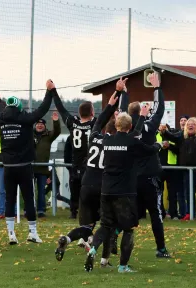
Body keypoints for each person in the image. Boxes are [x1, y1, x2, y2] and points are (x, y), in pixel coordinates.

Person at [55, 80, 129, 264]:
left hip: (85, 183)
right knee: (107, 224)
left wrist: (115, 95)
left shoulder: (94, 136)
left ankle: (69, 238)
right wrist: (119, 94)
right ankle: (103, 260)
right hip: (102, 186)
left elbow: (104, 115)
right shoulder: (114, 143)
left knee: (86, 226)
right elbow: (107, 116)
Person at [84, 109, 161, 273]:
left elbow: (93, 134)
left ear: (116, 125)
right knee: (128, 228)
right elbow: (150, 149)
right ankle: (123, 266)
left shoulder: (107, 140)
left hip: (106, 190)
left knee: (105, 225)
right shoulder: (132, 142)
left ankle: (92, 250)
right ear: (130, 126)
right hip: (125, 192)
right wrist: (159, 144)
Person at [0, 80, 55, 244]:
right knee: (29, 199)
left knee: (9, 199)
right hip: (24, 167)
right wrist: (49, 92)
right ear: (20, 108)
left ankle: (11, 234)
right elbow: (42, 109)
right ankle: (32, 233)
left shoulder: (0, 121)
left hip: (7, 167)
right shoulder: (26, 119)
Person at [118, 73, 170, 258]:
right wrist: (157, 87)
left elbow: (121, 111)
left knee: (131, 215)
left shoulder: (126, 128)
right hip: (150, 176)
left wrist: (123, 92)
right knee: (155, 214)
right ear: (142, 112)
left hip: (132, 178)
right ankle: (161, 249)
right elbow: (160, 108)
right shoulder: (150, 124)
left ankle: (110, 238)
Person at [160, 112, 196, 221]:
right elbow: (171, 136)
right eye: (188, 124)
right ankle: (190, 214)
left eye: (193, 124)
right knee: (189, 194)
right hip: (187, 171)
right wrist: (163, 131)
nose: (190, 125)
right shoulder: (181, 137)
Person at [54, 95, 96, 220]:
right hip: (88, 164)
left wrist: (53, 92)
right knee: (89, 190)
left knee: (74, 191)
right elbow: (106, 114)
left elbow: (61, 109)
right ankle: (88, 211)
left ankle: (73, 212)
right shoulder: (94, 123)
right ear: (92, 112)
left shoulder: (73, 123)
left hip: (75, 164)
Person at [33, 112, 61, 218]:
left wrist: (55, 121)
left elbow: (57, 131)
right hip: (30, 168)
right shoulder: (29, 135)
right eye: (37, 124)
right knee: (29, 191)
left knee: (41, 191)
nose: (39, 126)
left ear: (44, 126)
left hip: (43, 169)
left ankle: (41, 210)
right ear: (35, 126)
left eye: (42, 124)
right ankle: (29, 209)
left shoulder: (48, 136)